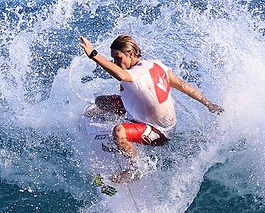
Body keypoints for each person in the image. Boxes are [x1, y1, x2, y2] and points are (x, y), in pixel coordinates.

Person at [79, 34, 223, 182]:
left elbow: (121, 75)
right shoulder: (155, 65)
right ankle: (119, 115)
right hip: (146, 113)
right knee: (101, 102)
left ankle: (135, 170)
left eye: (118, 58)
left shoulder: (135, 74)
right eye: (113, 58)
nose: (115, 62)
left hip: (159, 132)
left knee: (119, 132)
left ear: (131, 54)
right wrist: (209, 104)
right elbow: (183, 85)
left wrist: (93, 54)